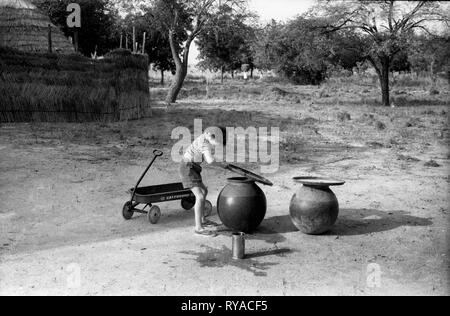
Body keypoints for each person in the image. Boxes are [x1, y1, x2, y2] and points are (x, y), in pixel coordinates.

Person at [179, 127, 228, 237]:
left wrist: (219, 161)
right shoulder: (205, 144)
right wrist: (221, 164)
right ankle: (198, 228)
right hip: (187, 168)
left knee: (204, 191)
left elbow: (208, 156)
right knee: (200, 196)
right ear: (211, 136)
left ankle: (202, 219)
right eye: (216, 143)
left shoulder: (205, 136)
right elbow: (210, 160)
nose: (216, 145)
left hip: (193, 168)